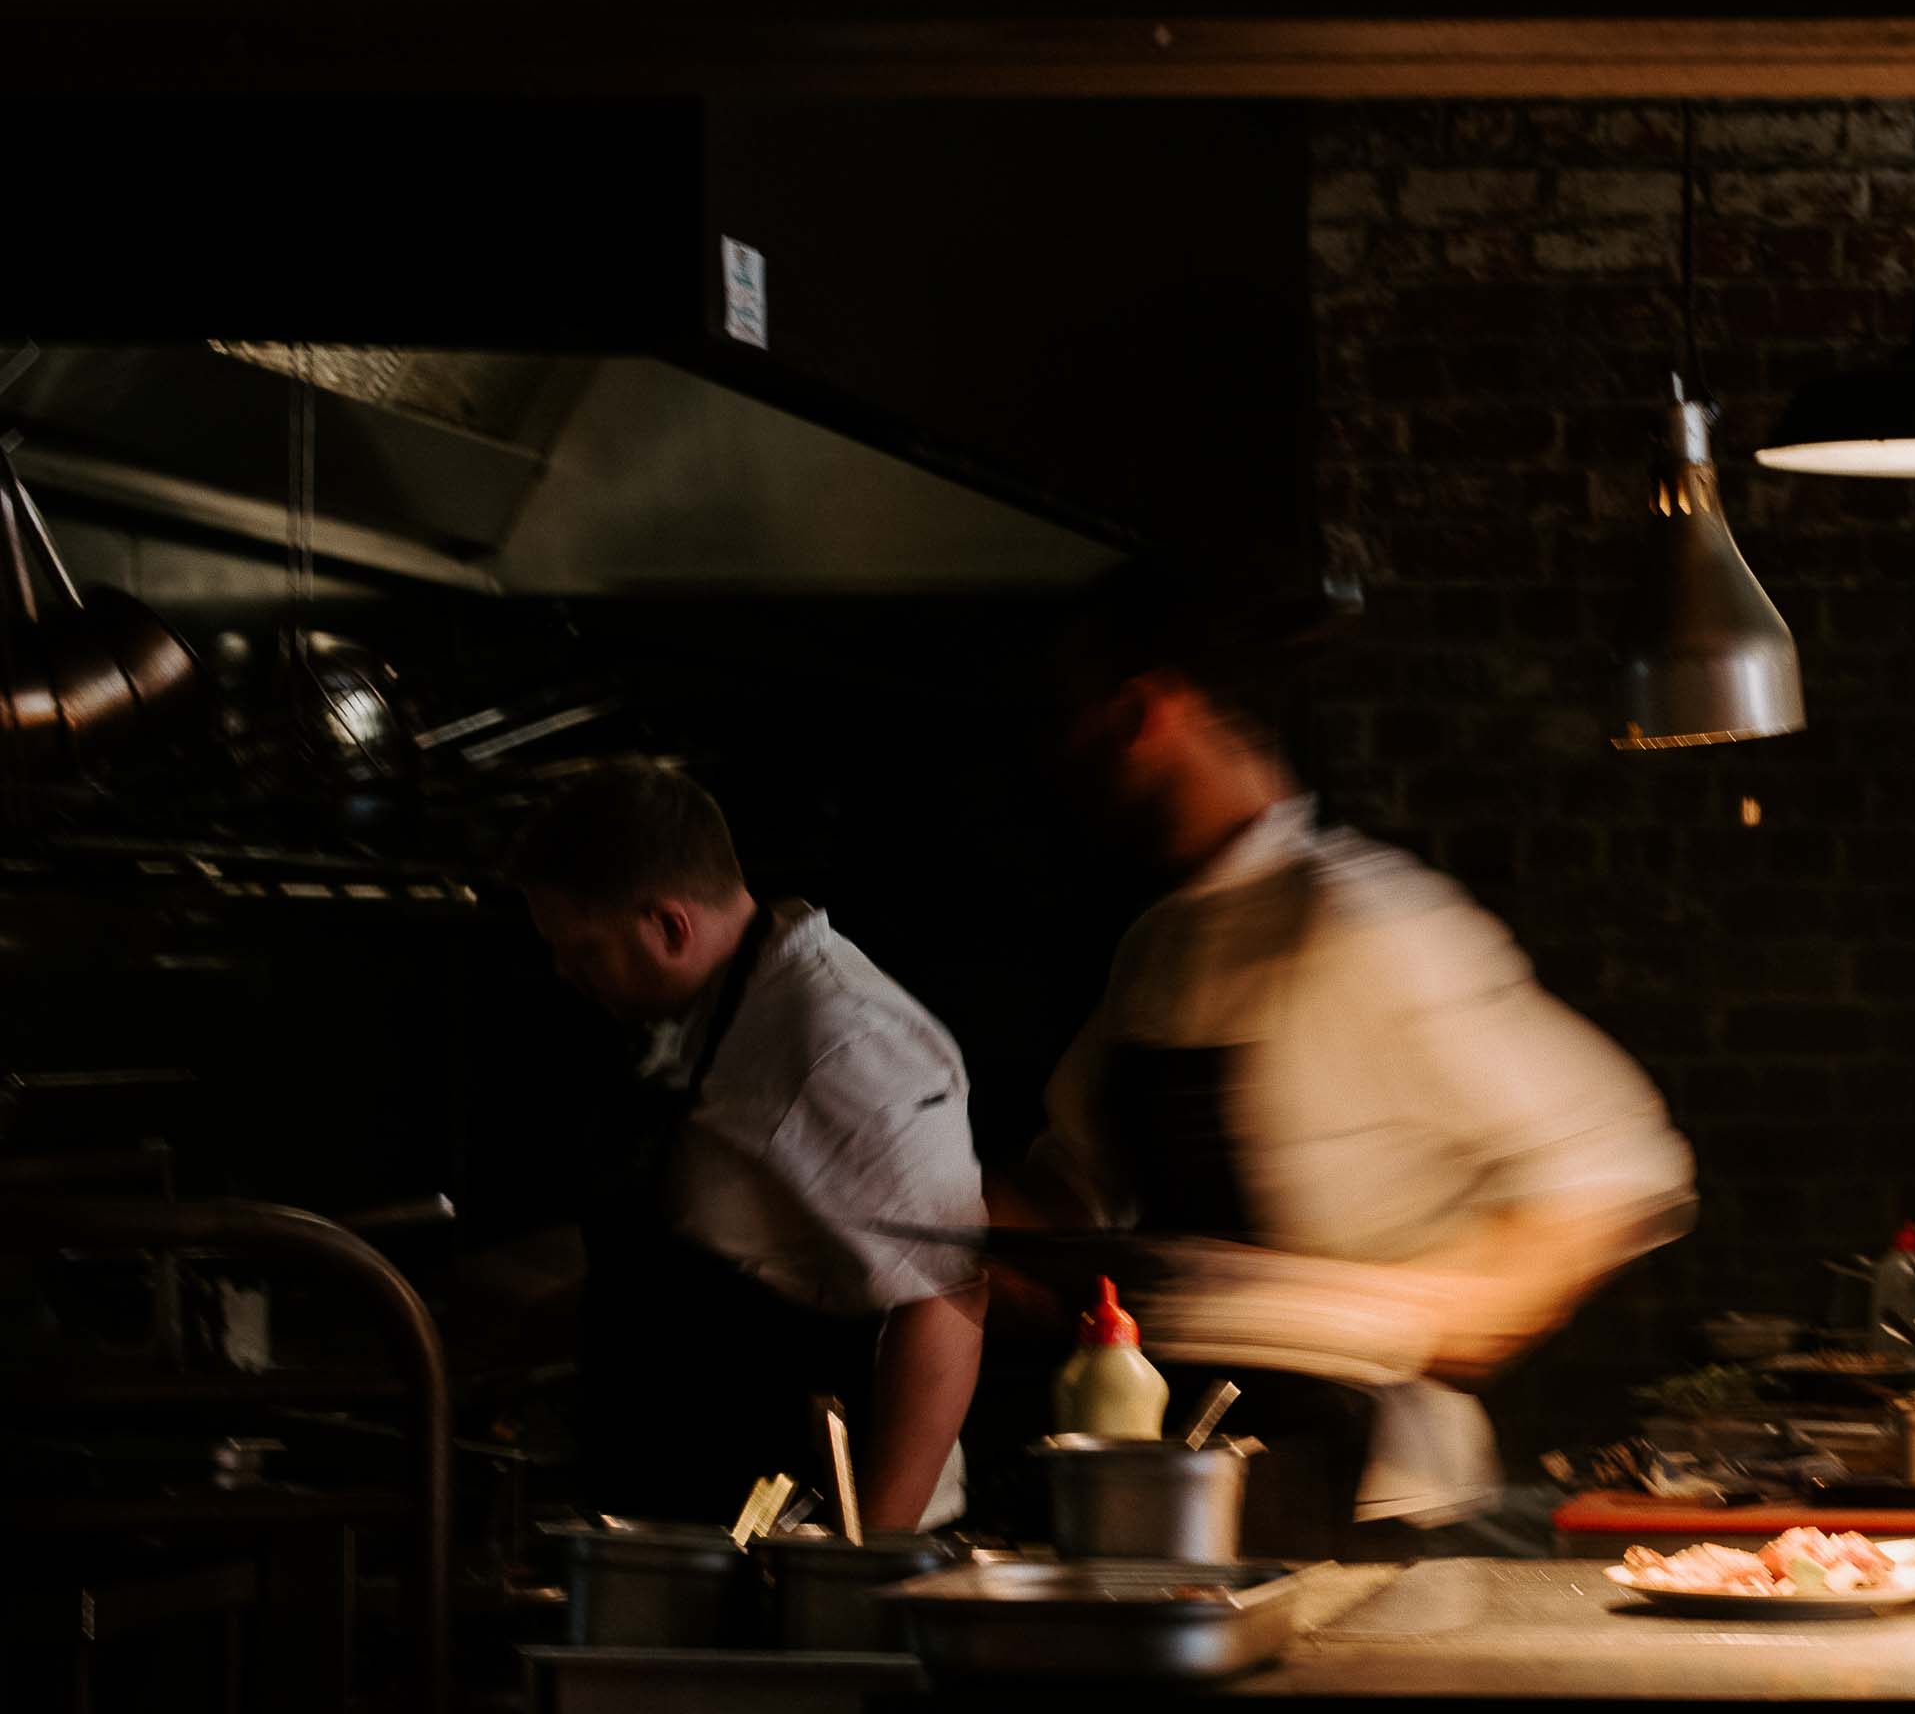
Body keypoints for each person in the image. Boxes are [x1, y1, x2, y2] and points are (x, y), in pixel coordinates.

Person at [1018, 564, 1694, 1553]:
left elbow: (1617, 1171)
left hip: (1382, 1519)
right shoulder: (1154, 948)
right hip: (1188, 1503)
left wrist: (1428, 1310)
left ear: (1145, 714)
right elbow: (1068, 1196)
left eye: (1074, 726)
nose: (1061, 763)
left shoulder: (1367, 923)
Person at [517, 761, 988, 1529]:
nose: (565, 974)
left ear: (669, 925)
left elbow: (946, 1301)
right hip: (702, 1515)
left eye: (582, 950)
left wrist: (864, 1564)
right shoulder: (709, 1014)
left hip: (811, 1534)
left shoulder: (844, 1038)